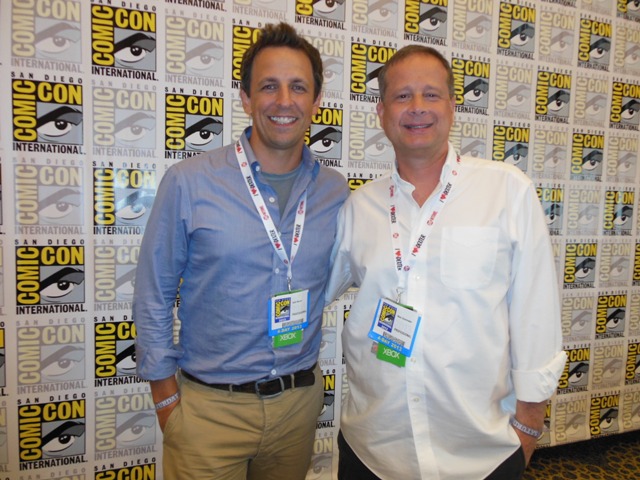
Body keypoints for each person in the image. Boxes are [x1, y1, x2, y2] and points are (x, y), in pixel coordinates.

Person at [326, 44, 567, 480]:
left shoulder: (506, 192)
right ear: (381, 112)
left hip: (480, 453)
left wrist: (529, 424)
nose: (417, 108)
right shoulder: (359, 207)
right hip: (373, 450)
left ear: (453, 107)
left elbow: (536, 313)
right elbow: (314, 284)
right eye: (402, 96)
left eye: (431, 94)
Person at [133, 22, 349, 480]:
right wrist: (167, 401)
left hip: (298, 405)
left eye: (298, 87)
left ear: (315, 101)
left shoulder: (335, 191)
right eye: (268, 86)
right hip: (209, 412)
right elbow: (154, 293)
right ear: (247, 98)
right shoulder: (190, 181)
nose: (284, 101)